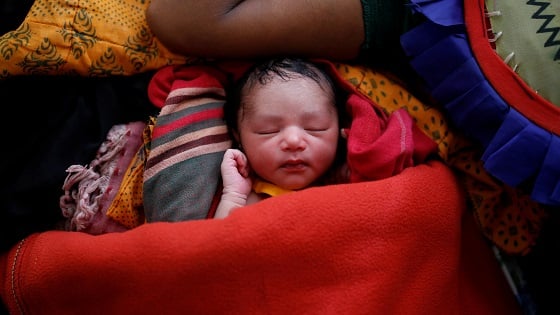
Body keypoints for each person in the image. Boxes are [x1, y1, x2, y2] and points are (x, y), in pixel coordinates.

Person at [214, 57, 350, 218]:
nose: (293, 141)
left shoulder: (348, 183)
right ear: (238, 136)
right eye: (268, 131)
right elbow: (220, 239)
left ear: (340, 130)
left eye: (314, 127)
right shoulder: (248, 198)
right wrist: (234, 197)